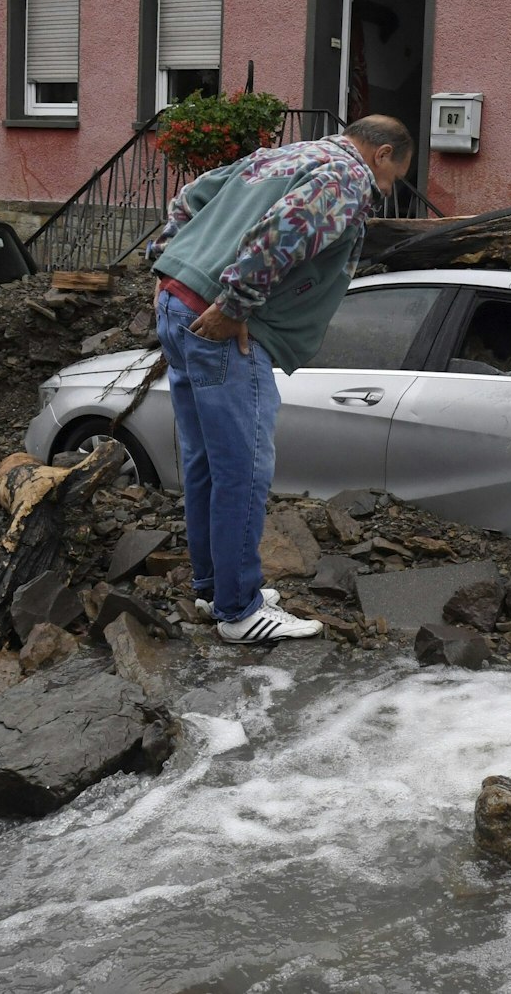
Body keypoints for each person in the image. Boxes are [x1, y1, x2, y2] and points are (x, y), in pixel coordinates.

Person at [146, 115, 414, 643]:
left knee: (206, 460)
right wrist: (235, 304)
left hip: (180, 311)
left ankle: (213, 587)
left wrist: (166, 268)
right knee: (244, 469)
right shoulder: (345, 174)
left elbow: (190, 197)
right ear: (381, 154)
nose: (385, 191)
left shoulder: (278, 157)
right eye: (393, 178)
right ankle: (240, 612)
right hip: (221, 327)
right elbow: (284, 232)